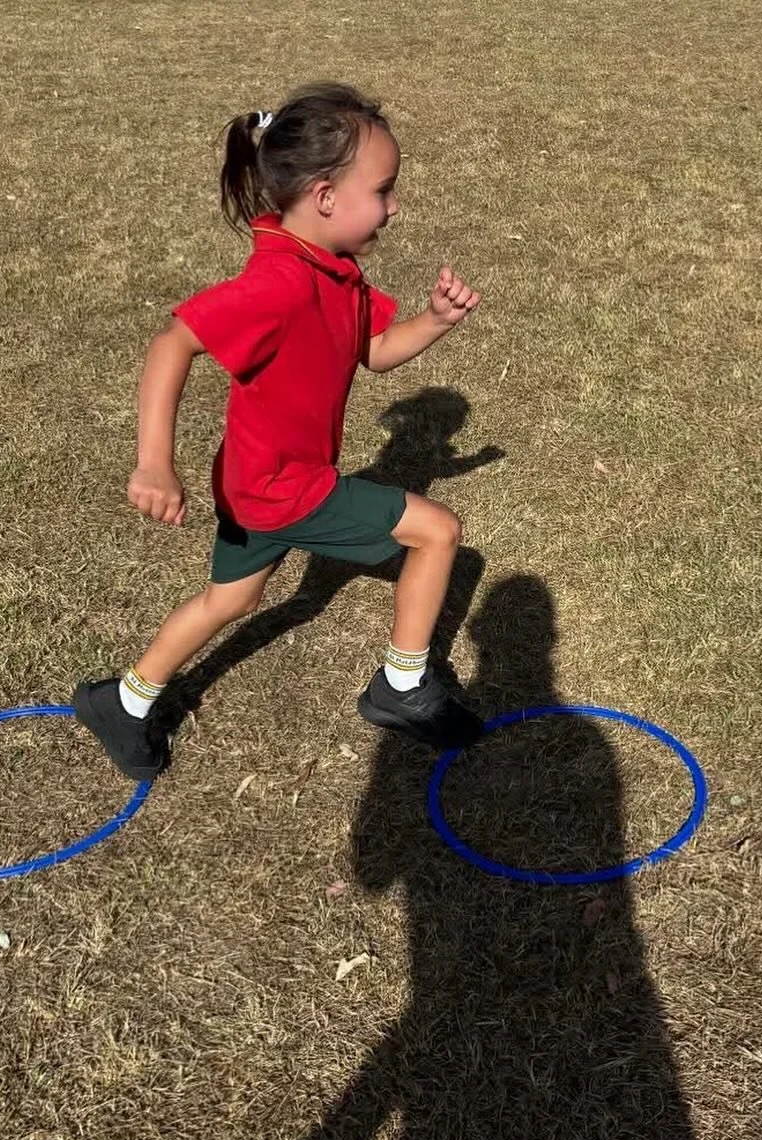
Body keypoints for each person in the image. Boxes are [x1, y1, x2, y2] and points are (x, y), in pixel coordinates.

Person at [74, 82, 484, 783]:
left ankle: (124, 699)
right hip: (285, 487)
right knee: (437, 533)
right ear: (325, 196)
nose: (393, 206)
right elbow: (173, 342)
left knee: (229, 599)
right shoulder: (280, 283)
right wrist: (153, 463)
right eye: (383, 190)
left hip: (253, 477)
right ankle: (403, 688)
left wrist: (435, 321)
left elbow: (374, 349)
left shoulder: (333, 270)